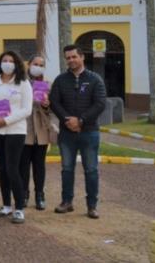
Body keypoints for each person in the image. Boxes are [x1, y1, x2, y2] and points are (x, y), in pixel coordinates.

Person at [49, 45, 106, 219]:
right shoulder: (60, 80)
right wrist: (68, 120)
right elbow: (54, 102)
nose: (71, 60)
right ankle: (67, 202)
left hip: (89, 132)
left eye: (74, 57)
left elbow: (100, 103)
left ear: (82, 57)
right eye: (68, 58)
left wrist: (80, 120)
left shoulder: (95, 79)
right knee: (67, 169)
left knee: (91, 170)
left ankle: (92, 206)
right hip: (67, 133)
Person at [0, 50, 32, 224]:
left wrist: (7, 120)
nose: (8, 63)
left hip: (15, 130)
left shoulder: (23, 83)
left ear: (17, 64)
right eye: (5, 60)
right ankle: (6, 205)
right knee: (1, 168)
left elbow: (27, 109)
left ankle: (19, 208)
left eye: (11, 61)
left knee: (12, 168)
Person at [21, 55, 57, 210]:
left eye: (41, 65)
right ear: (29, 65)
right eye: (35, 64)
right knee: (23, 165)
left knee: (39, 165)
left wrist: (47, 104)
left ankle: (39, 195)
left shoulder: (48, 84)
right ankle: (23, 194)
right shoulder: (21, 82)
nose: (38, 67)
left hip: (41, 129)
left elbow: (53, 108)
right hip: (24, 128)